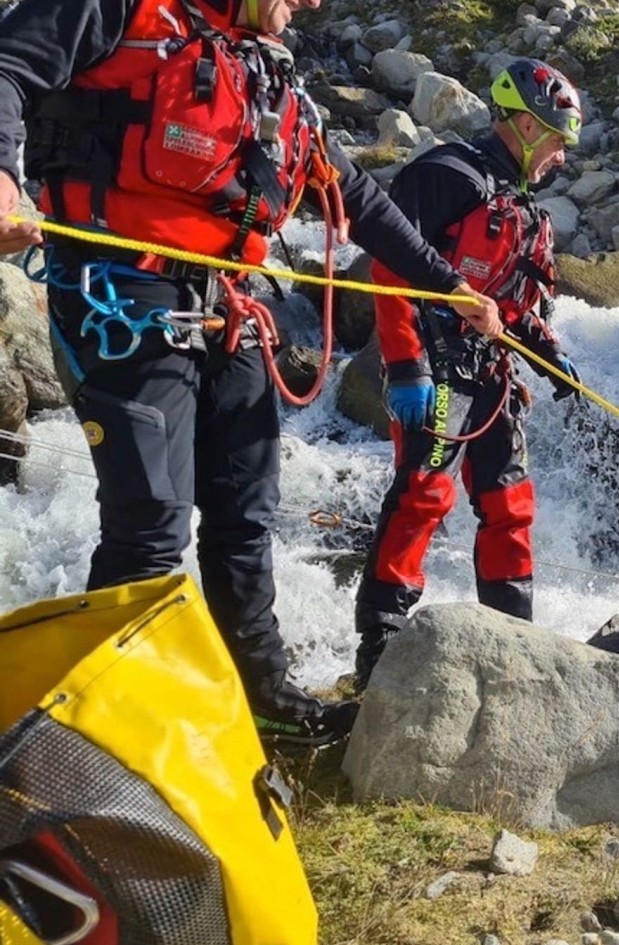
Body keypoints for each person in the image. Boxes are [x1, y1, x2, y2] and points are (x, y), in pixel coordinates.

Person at [0, 0, 502, 746]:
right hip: (120, 296)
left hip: (231, 310)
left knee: (244, 521)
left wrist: (446, 286)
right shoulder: (120, 7)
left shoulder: (270, 73)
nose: (310, 4)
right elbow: (7, 67)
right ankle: (113, 734)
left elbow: (353, 199)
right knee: (149, 529)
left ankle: (259, 692)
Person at [350, 58, 584, 690]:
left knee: (512, 507)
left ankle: (513, 642)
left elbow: (514, 306)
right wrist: (404, 366)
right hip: (433, 365)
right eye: (558, 142)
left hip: (491, 372)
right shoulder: (445, 175)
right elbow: (388, 268)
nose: (560, 159)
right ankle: (380, 642)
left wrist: (547, 351)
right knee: (423, 495)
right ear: (529, 128)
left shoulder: (529, 215)